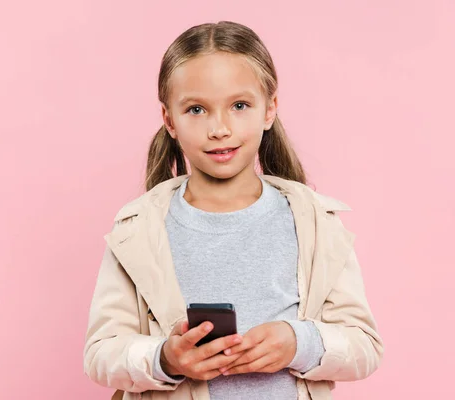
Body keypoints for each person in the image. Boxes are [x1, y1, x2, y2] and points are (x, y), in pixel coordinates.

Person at [83, 20, 384, 400]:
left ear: (269, 109)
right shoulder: (137, 229)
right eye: (196, 109)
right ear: (169, 120)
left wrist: (299, 341)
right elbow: (100, 352)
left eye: (239, 105)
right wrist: (165, 358)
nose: (219, 128)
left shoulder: (314, 222)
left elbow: (364, 346)